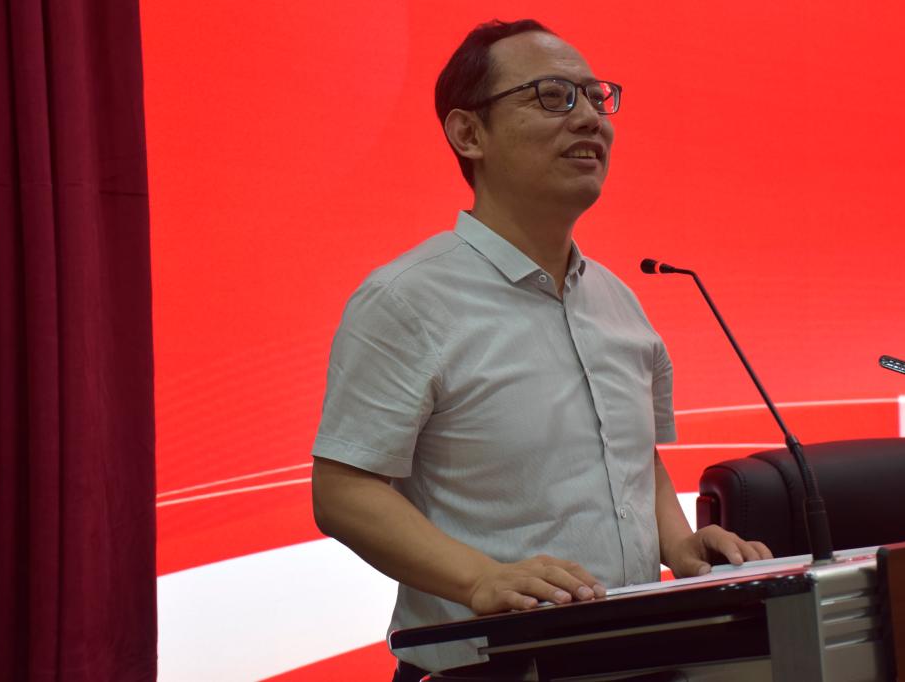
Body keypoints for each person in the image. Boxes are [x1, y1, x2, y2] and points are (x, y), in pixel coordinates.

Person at [310, 19, 772, 680]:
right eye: (552, 96)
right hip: (489, 667)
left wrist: (680, 544)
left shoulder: (618, 299)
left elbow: (633, 460)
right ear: (469, 134)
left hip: (640, 657)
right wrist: (480, 579)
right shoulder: (405, 299)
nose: (589, 119)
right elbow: (344, 490)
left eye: (596, 97)